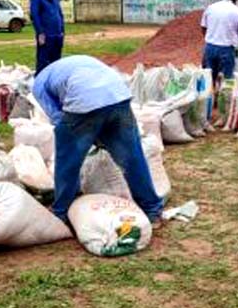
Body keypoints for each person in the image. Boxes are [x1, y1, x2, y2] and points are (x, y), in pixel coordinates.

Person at [33, 55, 164, 226]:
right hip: (119, 96)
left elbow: (57, 117)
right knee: (132, 157)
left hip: (84, 100)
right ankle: (152, 210)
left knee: (67, 161)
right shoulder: (71, 65)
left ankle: (62, 212)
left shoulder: (38, 85)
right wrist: (97, 132)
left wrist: (83, 135)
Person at [201, 0, 238, 83]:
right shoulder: (237, 11)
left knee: (208, 79)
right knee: (227, 81)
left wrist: (210, 38)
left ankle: (210, 92)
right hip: (226, 50)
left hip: (209, 48)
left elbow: (203, 27)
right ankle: (224, 92)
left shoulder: (211, 8)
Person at [30, 0, 65, 73]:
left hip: (58, 35)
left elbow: (59, 12)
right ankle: (40, 81)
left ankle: (54, 82)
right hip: (46, 36)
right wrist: (40, 32)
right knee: (43, 62)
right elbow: (34, 15)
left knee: (56, 63)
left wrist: (62, 30)